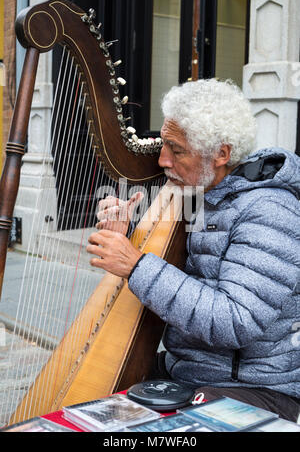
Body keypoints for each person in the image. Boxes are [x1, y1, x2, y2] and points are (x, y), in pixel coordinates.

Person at [87, 79, 300, 422]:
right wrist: (127, 231)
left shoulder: (269, 212)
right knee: (89, 407)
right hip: (191, 369)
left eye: (176, 149)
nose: (162, 160)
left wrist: (136, 264)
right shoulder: (203, 192)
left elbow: (236, 320)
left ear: (222, 154)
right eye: (163, 144)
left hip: (255, 386)